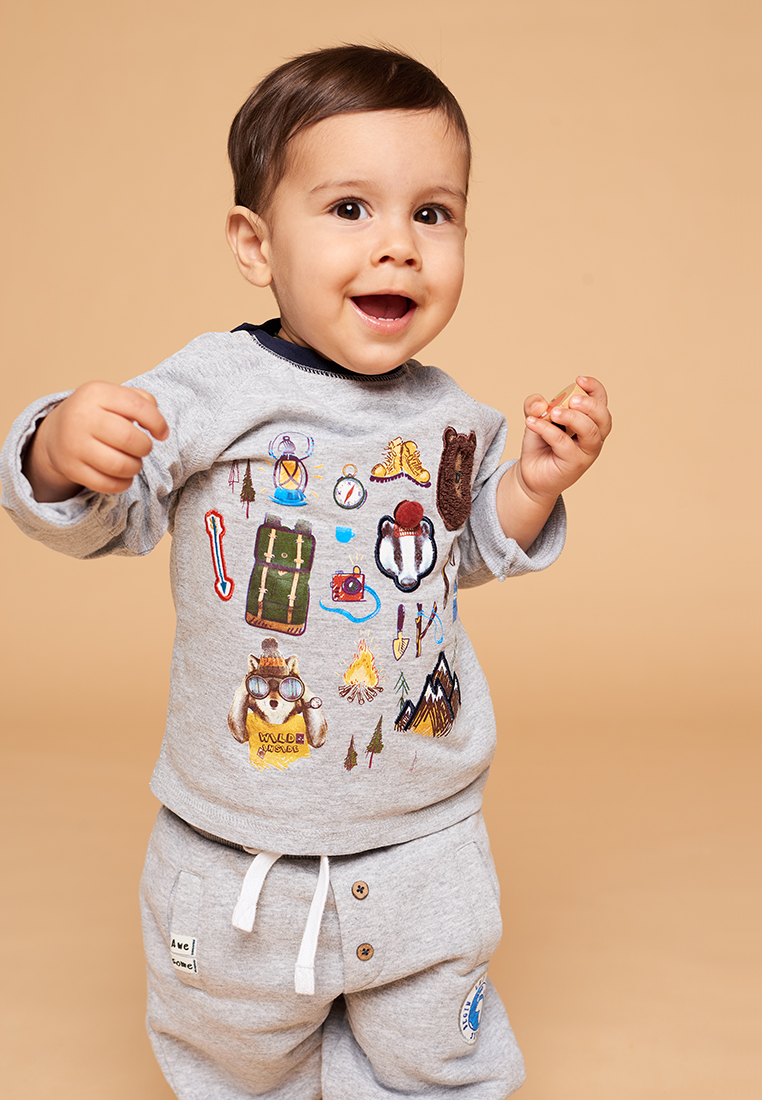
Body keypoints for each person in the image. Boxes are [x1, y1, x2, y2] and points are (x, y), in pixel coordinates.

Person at [0, 44, 611, 1100]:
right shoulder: (210, 388)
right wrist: (58, 448)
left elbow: (459, 551)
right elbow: (109, 517)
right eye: (350, 209)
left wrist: (533, 483)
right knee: (233, 1045)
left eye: (433, 213)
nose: (398, 245)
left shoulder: (449, 415)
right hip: (243, 839)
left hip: (423, 833)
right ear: (257, 243)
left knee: (434, 1045)